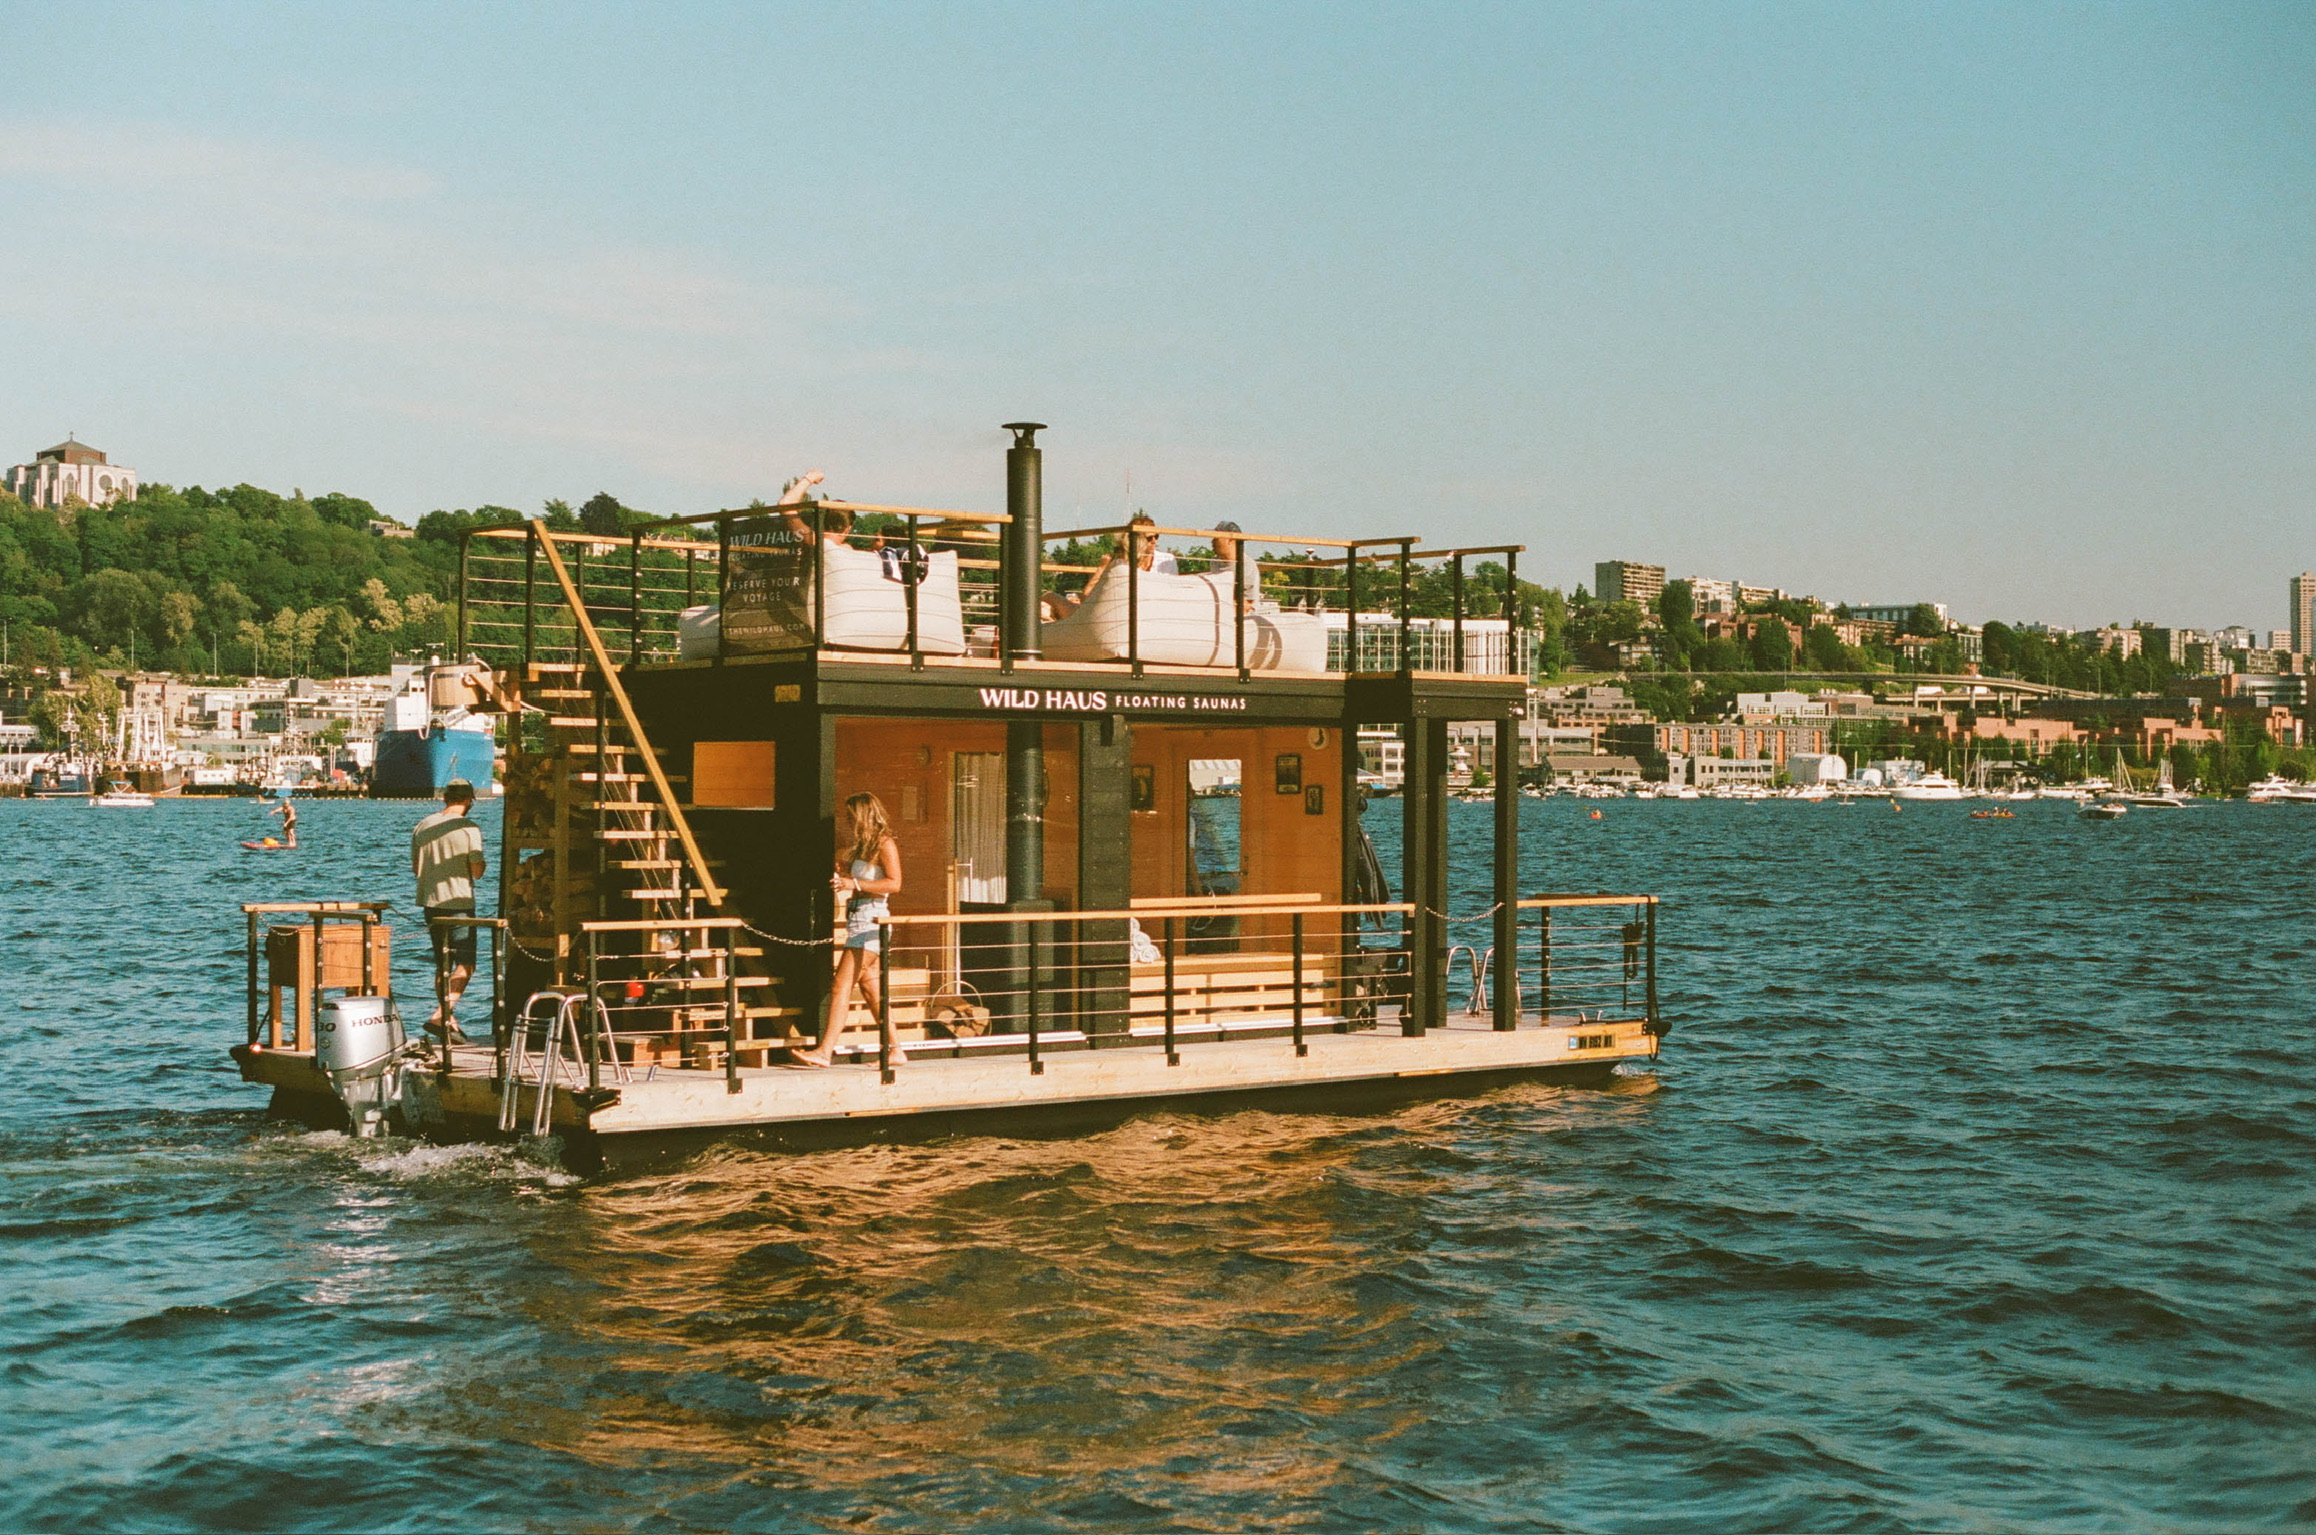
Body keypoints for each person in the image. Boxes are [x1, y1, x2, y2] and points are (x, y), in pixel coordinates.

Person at [791, 792, 904, 1068]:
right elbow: (857, 879)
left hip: (872, 921)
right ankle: (896, 1050)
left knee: (841, 985)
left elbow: (894, 884)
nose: (848, 821)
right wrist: (843, 875)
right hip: (858, 920)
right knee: (871, 990)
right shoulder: (862, 847)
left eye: (851, 816)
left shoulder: (884, 844)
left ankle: (825, 1051)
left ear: (864, 815)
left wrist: (855, 883)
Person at [411, 780, 487, 1042]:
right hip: (459, 903)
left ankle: (448, 1021)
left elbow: (415, 869)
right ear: (469, 800)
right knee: (466, 963)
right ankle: (441, 1013)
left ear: (444, 798)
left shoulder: (423, 825)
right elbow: (477, 872)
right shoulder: (469, 828)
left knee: (442, 964)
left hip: (431, 904)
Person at [1043, 512, 1173, 620]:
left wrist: (1101, 568)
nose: (1154, 541)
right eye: (1149, 538)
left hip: (1113, 617)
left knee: (1049, 597)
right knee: (1048, 601)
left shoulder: (1163, 560)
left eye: (1156, 536)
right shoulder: (1122, 562)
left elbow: (1085, 596)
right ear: (1138, 540)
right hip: (1118, 614)